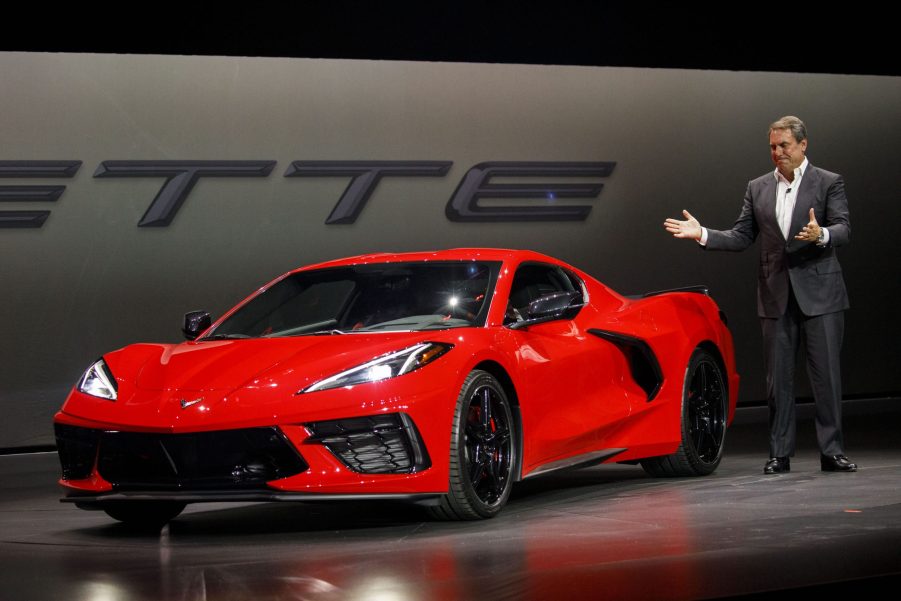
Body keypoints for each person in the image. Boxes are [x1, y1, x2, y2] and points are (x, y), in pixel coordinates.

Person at [664, 116, 856, 474]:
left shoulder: (829, 182)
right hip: (775, 295)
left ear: (802, 145)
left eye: (784, 145)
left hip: (821, 295)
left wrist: (823, 234)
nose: (777, 152)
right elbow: (741, 235)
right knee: (777, 380)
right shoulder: (757, 187)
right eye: (772, 146)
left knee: (826, 377)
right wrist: (702, 233)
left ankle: (832, 451)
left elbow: (844, 228)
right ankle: (779, 453)